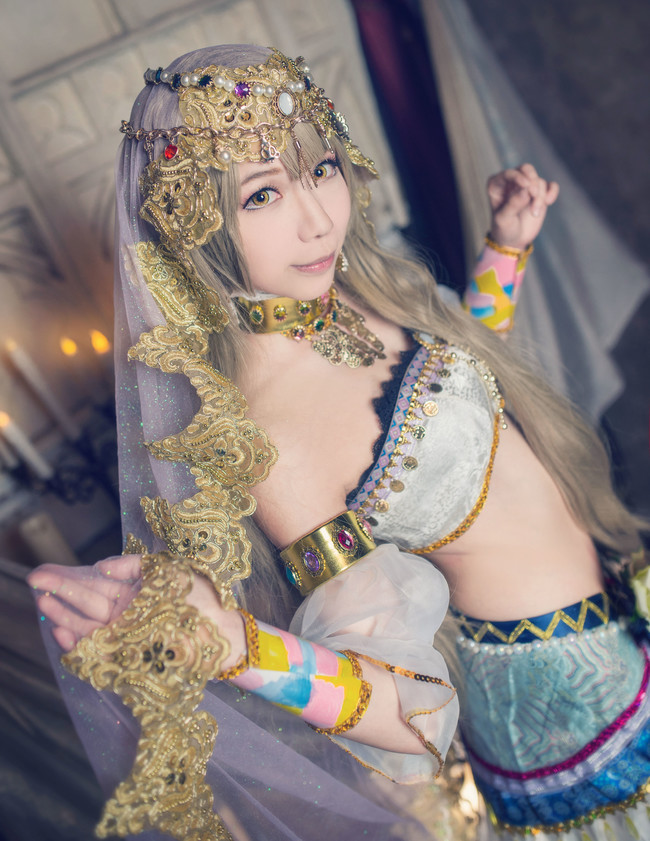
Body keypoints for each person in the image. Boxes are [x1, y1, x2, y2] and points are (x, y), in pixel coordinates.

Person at [29, 45, 648, 841]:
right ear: (191, 222)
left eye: (321, 168)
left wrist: (504, 253)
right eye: (262, 194)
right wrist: (237, 646)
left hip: (614, 606)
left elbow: (460, 419)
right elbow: (411, 712)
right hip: (565, 708)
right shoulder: (270, 442)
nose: (319, 216)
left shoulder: (345, 293)